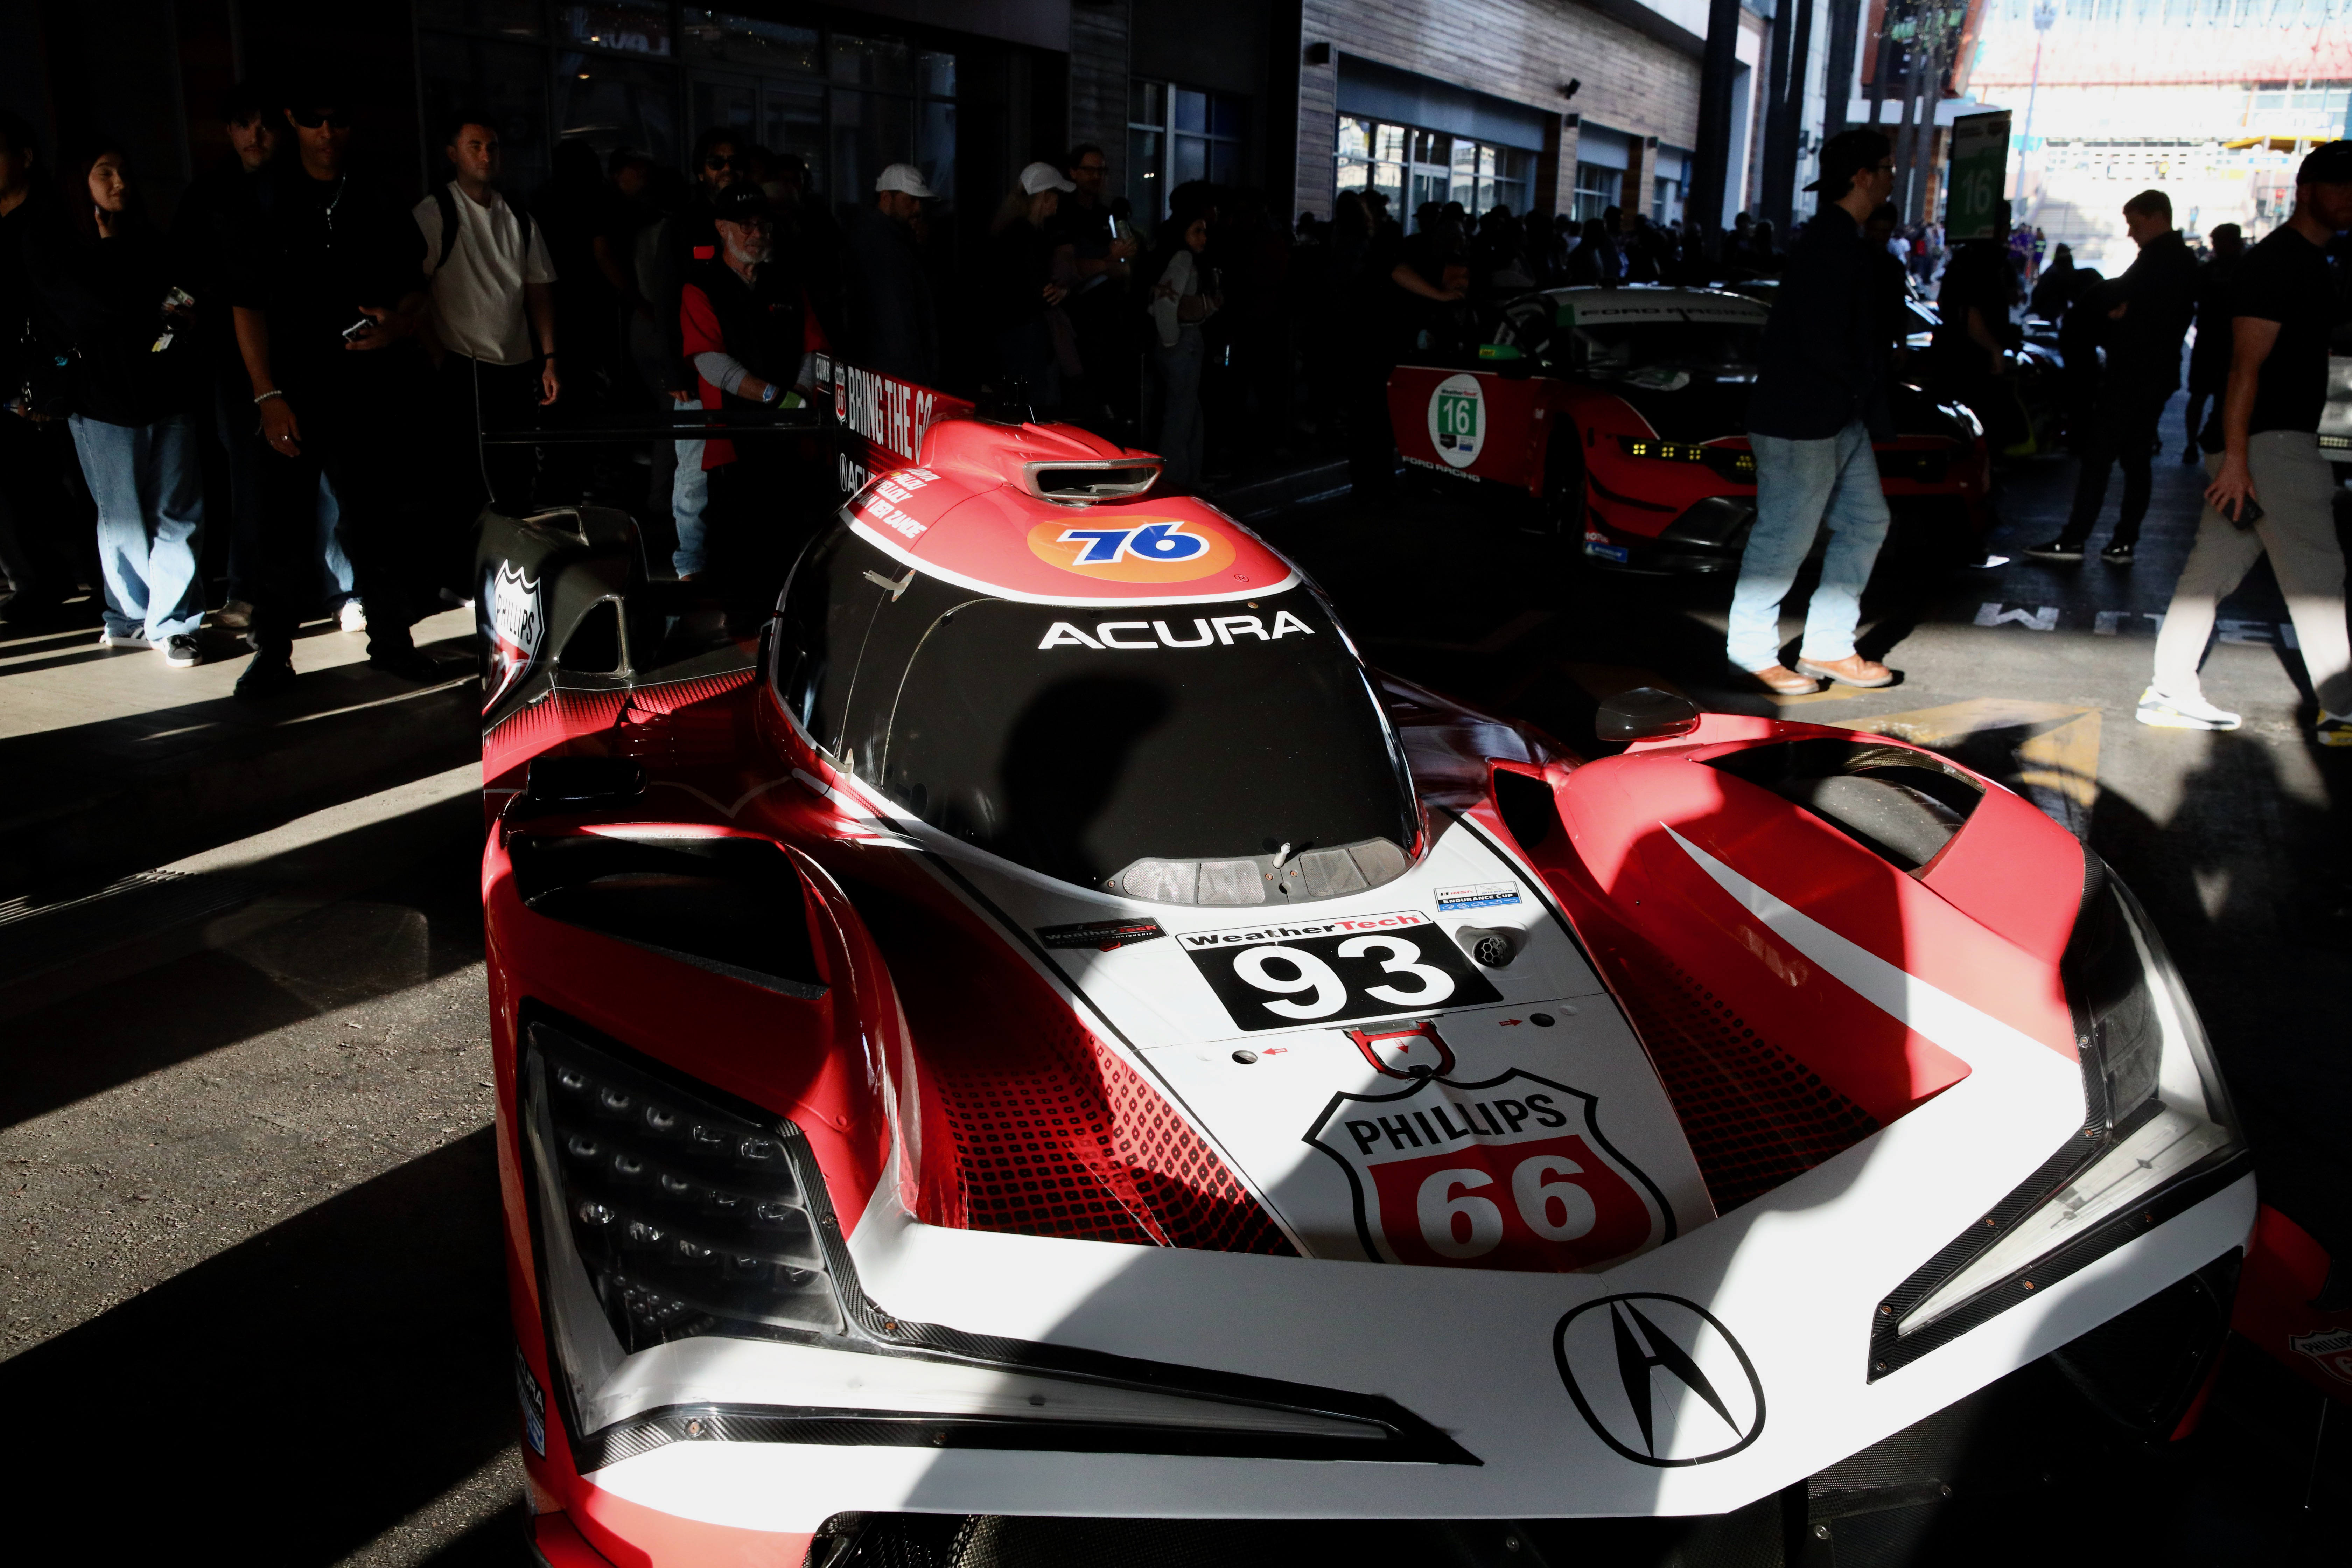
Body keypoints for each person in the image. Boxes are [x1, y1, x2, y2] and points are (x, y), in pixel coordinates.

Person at [226, 79, 438, 698]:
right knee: (284, 526)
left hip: (369, 383)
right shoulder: (263, 196)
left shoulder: (373, 192)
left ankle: (393, 641)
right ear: (292, 119)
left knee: (376, 520)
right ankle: (272, 652)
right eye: (315, 120)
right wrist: (267, 394)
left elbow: (414, 282)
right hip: (293, 385)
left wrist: (401, 323)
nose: (327, 133)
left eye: (338, 120)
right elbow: (246, 303)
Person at [2139, 142, 2352, 744]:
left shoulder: (2316, 262)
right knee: (2318, 575)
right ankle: (2344, 708)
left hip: (2268, 443)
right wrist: (2236, 460)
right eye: (2340, 188)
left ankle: (2169, 691)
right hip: (2271, 444)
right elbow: (2244, 368)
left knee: (2209, 574)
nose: (2350, 201)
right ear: (2306, 191)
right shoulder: (2282, 262)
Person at [1726, 129, 1898, 695]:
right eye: (1887, 167)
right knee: (1784, 539)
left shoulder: (1836, 238)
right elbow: (1825, 340)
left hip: (1830, 412)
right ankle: (1751, 650)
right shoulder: (1831, 242)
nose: (1894, 176)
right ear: (1863, 177)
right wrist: (1862, 385)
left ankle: (1827, 646)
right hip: (1804, 415)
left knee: (1866, 523)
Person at [33, 142, 208, 665]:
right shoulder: (58, 245)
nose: (119, 183)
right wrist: (116, 258)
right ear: (76, 182)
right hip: (102, 401)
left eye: (124, 173)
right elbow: (99, 313)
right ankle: (130, 617)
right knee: (123, 516)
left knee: (178, 512)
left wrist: (168, 317)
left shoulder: (147, 238)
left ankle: (174, 623)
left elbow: (182, 300)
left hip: (166, 391)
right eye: (104, 173)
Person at [413, 114, 559, 580]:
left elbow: (538, 288)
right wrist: (437, 353)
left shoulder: (517, 217)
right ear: (453, 154)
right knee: (461, 477)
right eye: (475, 145)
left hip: (515, 363)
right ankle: (458, 574)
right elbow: (416, 290)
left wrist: (549, 356)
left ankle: (508, 570)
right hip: (464, 361)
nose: (486, 155)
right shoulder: (436, 213)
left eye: (492, 147)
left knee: (516, 474)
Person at [678, 183, 828, 631]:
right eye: (747, 226)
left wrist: (798, 397)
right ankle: (741, 646)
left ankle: (785, 636)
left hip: (790, 443)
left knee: (788, 545)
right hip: (733, 443)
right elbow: (709, 361)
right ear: (722, 229)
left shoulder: (788, 282)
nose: (758, 234)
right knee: (736, 551)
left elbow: (815, 348)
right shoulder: (701, 285)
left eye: (764, 225)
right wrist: (774, 397)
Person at [2026, 190, 2198, 566]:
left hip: (2132, 372)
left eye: (2135, 225)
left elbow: (2116, 299)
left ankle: (2076, 538)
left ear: (2156, 218)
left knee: (2099, 456)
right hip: (2156, 373)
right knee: (2136, 458)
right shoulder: (2182, 261)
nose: (2131, 234)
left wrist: (2118, 314)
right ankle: (2123, 542)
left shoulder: (2158, 260)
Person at [170, 85, 279, 630]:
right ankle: (246, 589)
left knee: (323, 468)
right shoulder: (209, 193)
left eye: (264, 123)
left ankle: (337, 588)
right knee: (245, 469)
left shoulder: (296, 187)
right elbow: (184, 275)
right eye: (244, 124)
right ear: (230, 131)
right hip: (226, 349)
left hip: (297, 342)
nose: (255, 135)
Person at [0, 110, 91, 626]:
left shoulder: (53, 220)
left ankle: (106, 589)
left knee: (80, 486)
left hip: (58, 372)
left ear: (25, 158)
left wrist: (49, 379)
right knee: (18, 488)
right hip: (8, 376)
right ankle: (39, 582)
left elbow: (63, 307)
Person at [1142, 197, 1220, 492]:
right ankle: (1177, 481)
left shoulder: (1178, 258)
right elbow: (1166, 302)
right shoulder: (1183, 259)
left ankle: (1186, 477)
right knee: (1181, 416)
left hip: (1184, 341)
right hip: (1183, 343)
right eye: (1197, 231)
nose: (1203, 238)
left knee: (1187, 413)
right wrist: (1172, 340)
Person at [840, 162, 939, 385]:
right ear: (886, 197)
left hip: (885, 372)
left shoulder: (887, 238)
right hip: (894, 374)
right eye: (911, 200)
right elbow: (896, 320)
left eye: (920, 200)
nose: (918, 208)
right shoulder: (882, 245)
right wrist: (914, 380)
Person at [985, 161, 1075, 405]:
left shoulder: (1008, 231)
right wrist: (1062, 291)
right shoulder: (1027, 236)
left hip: (1011, 332)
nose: (1058, 203)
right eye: (1056, 196)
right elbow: (1042, 291)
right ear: (1045, 197)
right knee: (1036, 404)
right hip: (1026, 334)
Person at [2182, 223, 2245, 462]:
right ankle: (2216, 444)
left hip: (2212, 341)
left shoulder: (2210, 271)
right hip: (2227, 343)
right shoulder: (2245, 271)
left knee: (2202, 397)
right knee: (2223, 398)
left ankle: (2195, 444)